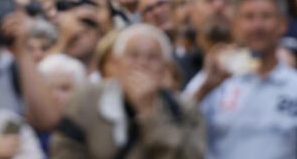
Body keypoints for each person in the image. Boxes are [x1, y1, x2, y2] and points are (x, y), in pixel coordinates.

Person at [196, 0, 297, 159]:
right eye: (249, 17)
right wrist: (204, 90)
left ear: (283, 24)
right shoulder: (210, 82)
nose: (258, 25)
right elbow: (180, 136)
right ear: (235, 25)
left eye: (266, 17)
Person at [51, 25, 205, 158]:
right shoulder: (86, 99)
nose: (142, 64)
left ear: (164, 68)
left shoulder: (184, 108)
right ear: (117, 63)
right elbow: (65, 150)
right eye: (133, 56)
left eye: (152, 57)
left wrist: (149, 116)